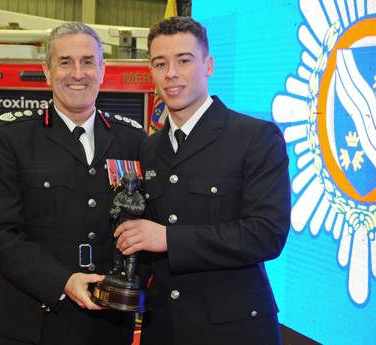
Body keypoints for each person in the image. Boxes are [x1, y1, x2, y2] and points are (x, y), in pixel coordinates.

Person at [114, 16, 291, 345]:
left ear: (208, 65)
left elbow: (266, 235)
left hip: (235, 331)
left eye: (184, 60)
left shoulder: (255, 137)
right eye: (160, 63)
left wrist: (170, 238)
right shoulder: (150, 148)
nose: (171, 73)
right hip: (164, 328)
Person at [0, 21, 146, 345]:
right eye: (65, 62)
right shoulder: (11, 136)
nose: (77, 73)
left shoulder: (132, 138)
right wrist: (63, 280)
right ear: (46, 70)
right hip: (33, 322)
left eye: (87, 61)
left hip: (108, 322)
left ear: (103, 68)